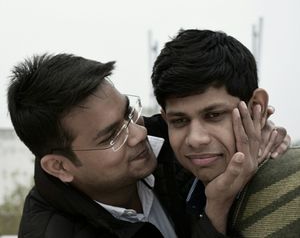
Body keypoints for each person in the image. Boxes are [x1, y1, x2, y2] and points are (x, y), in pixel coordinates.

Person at [8, 53, 289, 238]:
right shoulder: (50, 232)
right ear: (60, 167)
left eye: (129, 113)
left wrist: (263, 131)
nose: (138, 134)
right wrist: (216, 207)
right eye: (110, 137)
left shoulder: (164, 137)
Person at [151, 29, 300, 237]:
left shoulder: (293, 185)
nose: (196, 139)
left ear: (256, 106)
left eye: (214, 115)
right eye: (180, 121)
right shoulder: (161, 184)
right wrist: (216, 208)